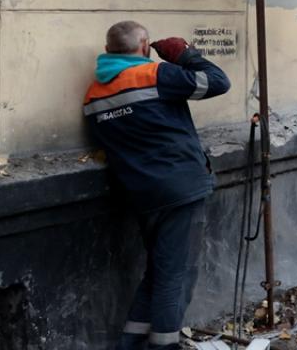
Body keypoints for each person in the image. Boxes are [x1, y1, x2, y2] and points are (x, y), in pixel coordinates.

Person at [83, 21, 231, 350]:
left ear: (107, 51)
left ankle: (131, 344)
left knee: (158, 272)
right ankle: (164, 345)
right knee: (176, 276)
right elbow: (219, 82)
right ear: (144, 46)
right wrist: (185, 55)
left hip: (141, 195)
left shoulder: (94, 94)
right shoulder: (154, 74)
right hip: (180, 188)